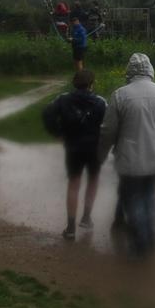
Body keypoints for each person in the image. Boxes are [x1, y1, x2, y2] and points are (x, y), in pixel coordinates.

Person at [98, 53, 155, 256]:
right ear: (150, 69)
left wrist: (101, 155)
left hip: (130, 159)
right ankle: (152, 237)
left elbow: (108, 131)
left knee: (134, 199)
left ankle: (141, 242)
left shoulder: (120, 95)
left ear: (130, 71)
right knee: (149, 195)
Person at [46, 69, 107, 241]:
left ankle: (71, 227)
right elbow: (108, 123)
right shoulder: (100, 102)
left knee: (74, 183)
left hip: (73, 146)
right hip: (94, 147)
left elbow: (47, 114)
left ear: (75, 83)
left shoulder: (63, 99)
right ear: (91, 84)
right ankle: (86, 217)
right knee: (93, 180)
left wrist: (58, 133)